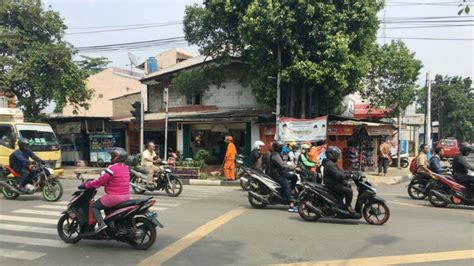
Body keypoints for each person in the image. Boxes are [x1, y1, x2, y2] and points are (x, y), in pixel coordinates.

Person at [78, 147, 130, 233]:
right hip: (126, 196)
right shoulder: (125, 167)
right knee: (107, 207)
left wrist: (86, 185)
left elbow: (99, 181)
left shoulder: (112, 168)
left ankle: (101, 225)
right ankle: (111, 226)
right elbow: (116, 180)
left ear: (116, 157)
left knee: (94, 206)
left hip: (115, 197)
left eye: (112, 155)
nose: (111, 157)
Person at [322, 146, 354, 213]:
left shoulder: (331, 163)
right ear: (331, 155)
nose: (337, 156)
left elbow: (340, 171)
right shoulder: (329, 164)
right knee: (349, 191)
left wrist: (350, 173)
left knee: (347, 185)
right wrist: (349, 175)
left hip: (334, 182)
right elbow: (338, 175)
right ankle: (348, 206)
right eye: (336, 154)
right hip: (331, 184)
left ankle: (339, 203)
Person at [269, 141, 297, 212]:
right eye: (280, 147)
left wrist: (291, 166)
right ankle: (290, 204)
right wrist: (293, 168)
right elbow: (282, 165)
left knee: (294, 177)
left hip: (281, 172)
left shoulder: (278, 154)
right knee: (286, 185)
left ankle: (292, 191)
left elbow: (283, 162)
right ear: (277, 148)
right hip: (277, 174)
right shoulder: (275, 155)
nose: (281, 148)